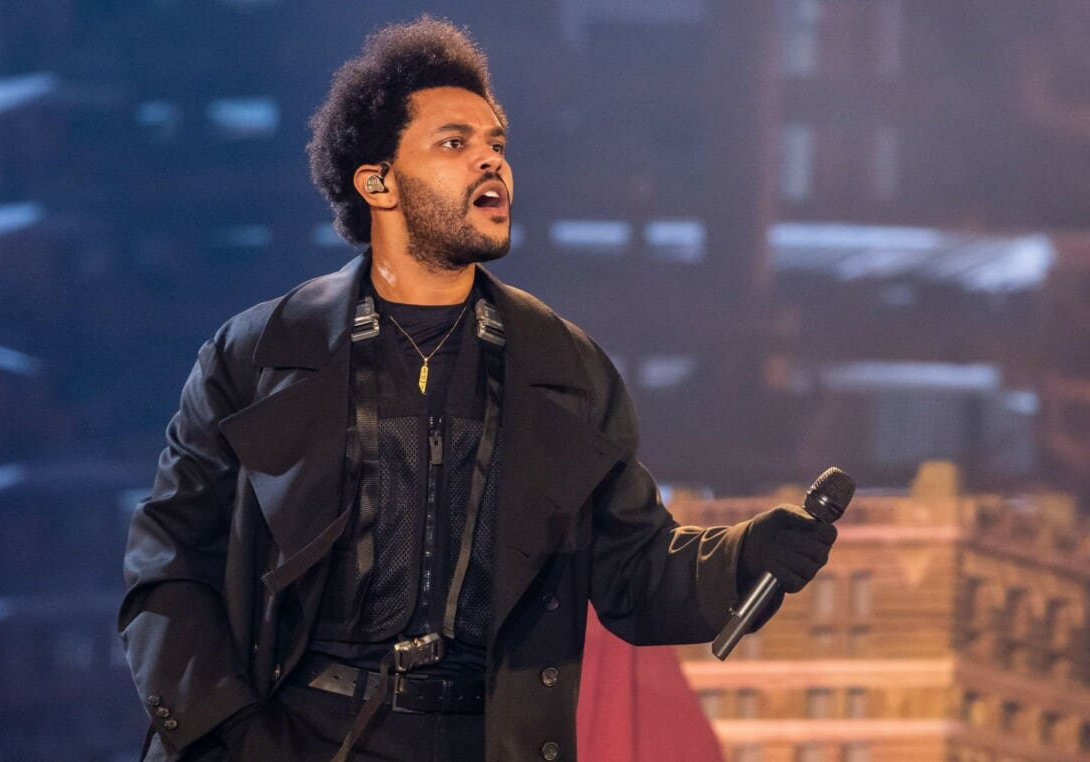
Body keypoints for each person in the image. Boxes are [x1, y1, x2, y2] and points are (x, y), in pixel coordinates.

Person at [118, 17, 836, 762]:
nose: (491, 161)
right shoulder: (258, 357)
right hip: (295, 735)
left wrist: (745, 555)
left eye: (497, 144)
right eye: (454, 143)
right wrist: (234, 736)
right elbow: (168, 566)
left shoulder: (564, 367)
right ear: (377, 182)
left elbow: (633, 573)